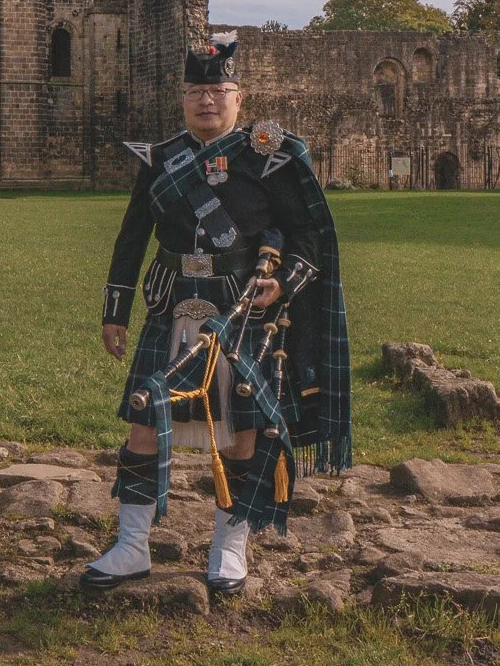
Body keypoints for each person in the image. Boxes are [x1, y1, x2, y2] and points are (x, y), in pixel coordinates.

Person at [83, 35, 350, 599]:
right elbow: (131, 239)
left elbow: (308, 235)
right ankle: (131, 547)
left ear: (238, 97)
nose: (207, 100)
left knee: (240, 435)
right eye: (196, 91)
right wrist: (115, 310)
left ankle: (230, 547)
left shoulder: (267, 158)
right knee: (143, 425)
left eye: (218, 90)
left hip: (239, 313)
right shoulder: (160, 160)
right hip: (171, 304)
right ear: (182, 98)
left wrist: (283, 283)